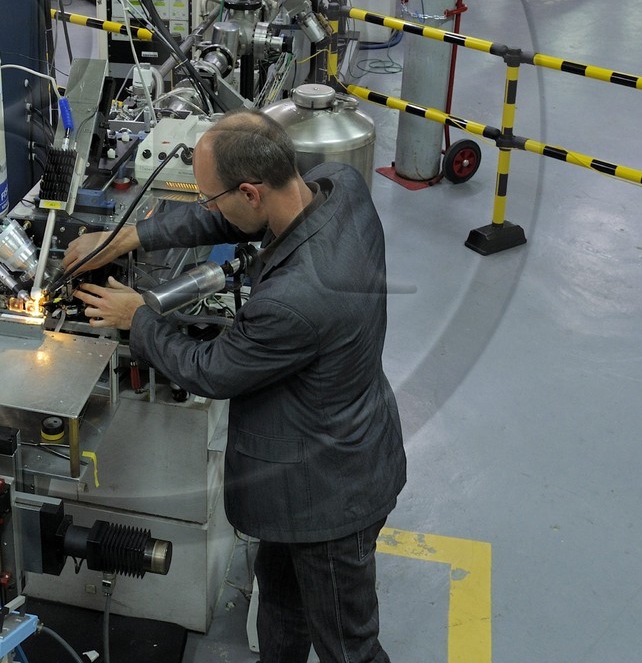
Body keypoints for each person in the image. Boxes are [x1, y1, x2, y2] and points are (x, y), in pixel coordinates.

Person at [66, 111, 405, 663]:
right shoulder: (340, 187)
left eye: (211, 198)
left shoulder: (296, 299)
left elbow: (212, 370)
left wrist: (137, 319)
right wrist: (127, 236)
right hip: (319, 461)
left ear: (250, 191)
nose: (208, 209)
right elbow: (231, 223)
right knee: (281, 608)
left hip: (328, 498)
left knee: (349, 649)